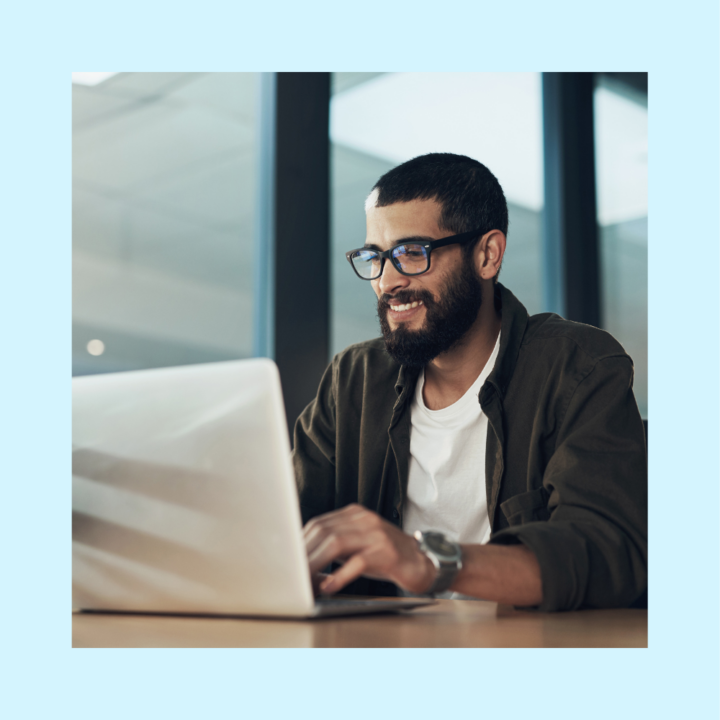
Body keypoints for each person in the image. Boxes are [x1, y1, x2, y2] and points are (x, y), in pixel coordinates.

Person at [293, 153, 647, 612]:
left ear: (487, 255)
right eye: (375, 257)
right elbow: (283, 522)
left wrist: (431, 562)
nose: (388, 281)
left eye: (412, 253)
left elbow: (606, 551)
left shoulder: (578, 366)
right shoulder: (354, 379)